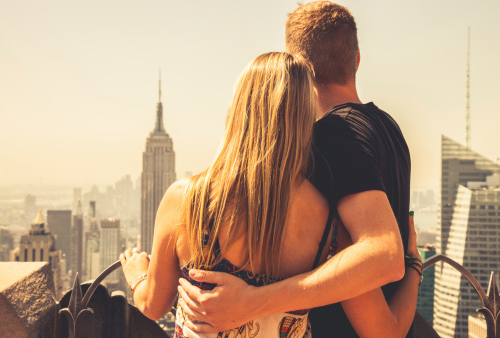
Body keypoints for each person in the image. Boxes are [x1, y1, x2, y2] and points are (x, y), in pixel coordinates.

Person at [177, 2, 420, 337]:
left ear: (300, 71)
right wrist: (416, 266)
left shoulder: (334, 134)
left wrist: (253, 302)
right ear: (357, 59)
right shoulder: (388, 128)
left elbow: (384, 255)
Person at [121, 52, 334, 337]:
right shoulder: (324, 213)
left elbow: (153, 306)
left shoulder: (187, 199)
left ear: (239, 110)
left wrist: (137, 276)